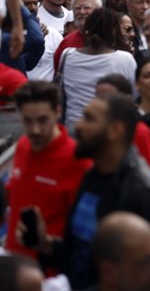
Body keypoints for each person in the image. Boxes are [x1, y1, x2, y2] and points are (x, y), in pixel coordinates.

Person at [32, 94, 150, 290]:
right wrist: (47, 245)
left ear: (115, 130)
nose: (78, 126)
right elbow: (85, 255)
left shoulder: (143, 191)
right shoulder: (93, 176)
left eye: (89, 119)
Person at [6, 81, 91, 257]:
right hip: (13, 264)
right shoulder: (22, 146)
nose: (35, 130)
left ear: (58, 112)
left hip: (50, 273)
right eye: (27, 121)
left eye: (42, 120)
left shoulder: (79, 161)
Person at [60, 8, 137, 127]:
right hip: (108, 132)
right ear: (114, 31)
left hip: (74, 128)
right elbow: (135, 95)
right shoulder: (125, 59)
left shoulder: (67, 55)